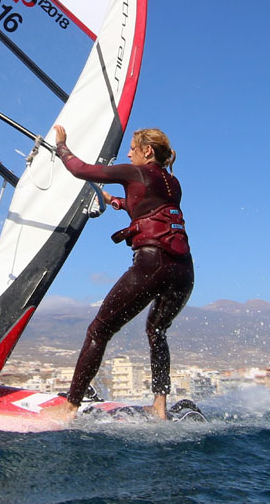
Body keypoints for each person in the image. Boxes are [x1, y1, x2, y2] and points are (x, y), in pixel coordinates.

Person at [43, 125, 194, 421]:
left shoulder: (134, 172)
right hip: (184, 269)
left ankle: (70, 407)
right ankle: (160, 405)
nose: (128, 153)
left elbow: (80, 169)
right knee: (157, 330)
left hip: (153, 264)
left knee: (99, 331)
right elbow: (148, 207)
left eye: (133, 148)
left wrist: (62, 145)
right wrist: (115, 201)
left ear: (146, 151)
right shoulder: (172, 182)